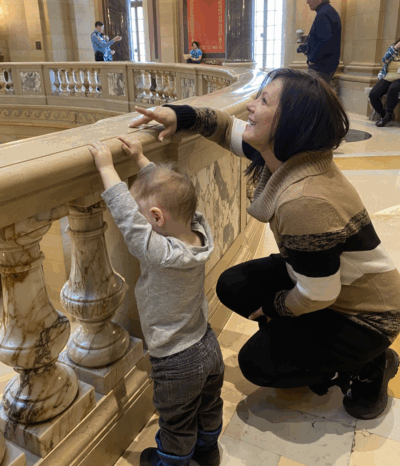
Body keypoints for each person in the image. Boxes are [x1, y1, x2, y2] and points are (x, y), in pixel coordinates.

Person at [130, 68, 400, 422]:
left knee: (256, 365)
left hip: (366, 314)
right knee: (233, 285)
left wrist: (275, 310)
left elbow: (320, 294)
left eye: (263, 100)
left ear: (291, 123)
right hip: (330, 286)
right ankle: (306, 345)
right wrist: (178, 115)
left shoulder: (305, 200)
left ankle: (368, 364)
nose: (250, 107)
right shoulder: (288, 156)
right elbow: (225, 127)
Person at [88, 136, 224, 466]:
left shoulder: (160, 253)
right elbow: (170, 197)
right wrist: (141, 161)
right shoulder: (197, 230)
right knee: (209, 405)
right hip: (207, 344)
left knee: (175, 423)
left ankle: (171, 463)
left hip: (176, 360)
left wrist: (107, 168)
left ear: (156, 218)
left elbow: (128, 220)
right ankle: (207, 451)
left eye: (146, 216)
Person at [297, 0, 341, 84]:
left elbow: (325, 41)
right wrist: (308, 41)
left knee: (316, 96)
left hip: (321, 66)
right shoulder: (328, 11)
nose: (308, 1)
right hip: (327, 64)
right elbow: (323, 38)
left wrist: (313, 59)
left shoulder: (323, 14)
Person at [369, 39, 400, 127]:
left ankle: (389, 113)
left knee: (393, 89)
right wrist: (396, 48)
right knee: (373, 94)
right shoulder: (393, 48)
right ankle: (384, 115)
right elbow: (385, 59)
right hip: (388, 76)